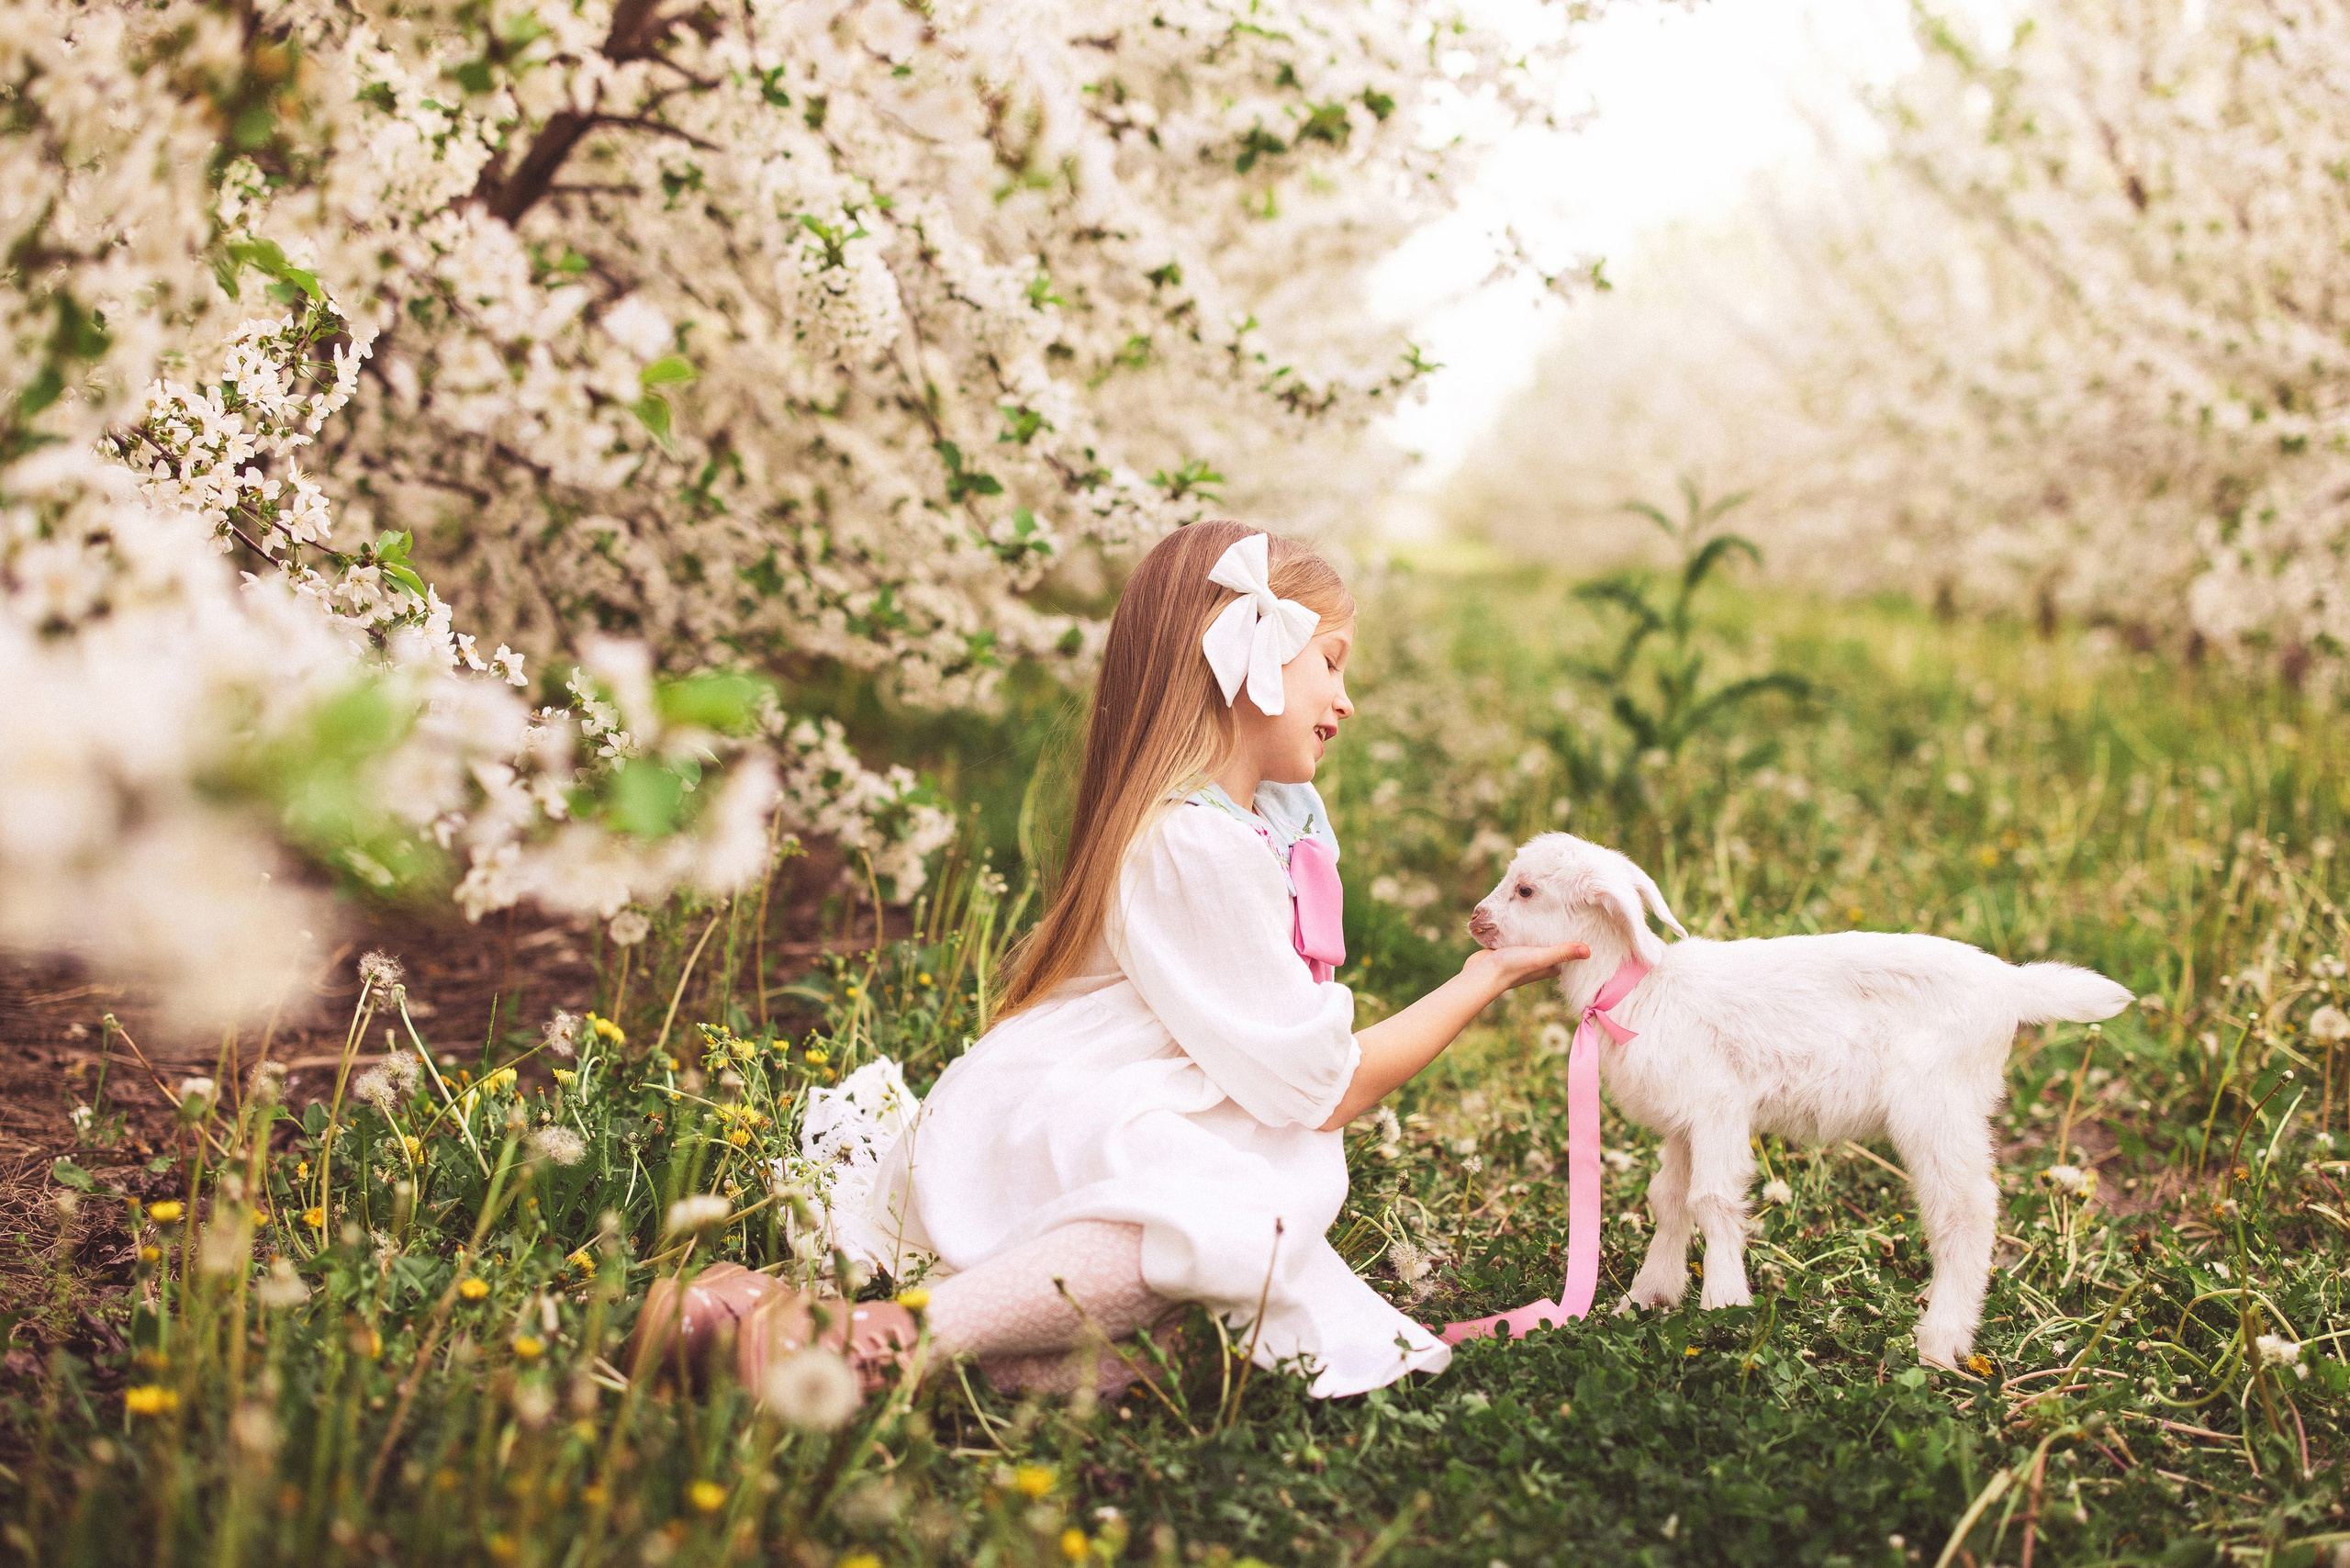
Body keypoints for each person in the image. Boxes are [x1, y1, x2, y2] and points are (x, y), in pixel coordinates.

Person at [635, 522, 1585, 1399]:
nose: (1347, 698)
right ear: (1245, 654)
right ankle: (892, 1335)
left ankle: (752, 1323)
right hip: (1085, 1117)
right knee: (1207, 1222)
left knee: (1171, 1355)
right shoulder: (1194, 844)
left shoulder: (1237, 831)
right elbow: (1320, 1088)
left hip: (1122, 1105)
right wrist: (1481, 980)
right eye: (1328, 662)